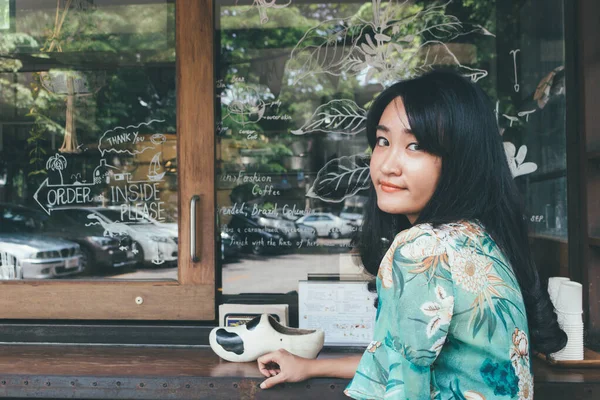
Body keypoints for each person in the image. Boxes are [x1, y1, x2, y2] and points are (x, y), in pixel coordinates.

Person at [256, 70, 567, 399]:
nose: (388, 164)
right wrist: (310, 366)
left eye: (415, 145)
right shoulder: (477, 236)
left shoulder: (422, 248)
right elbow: (409, 356)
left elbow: (405, 389)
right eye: (383, 141)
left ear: (461, 158)